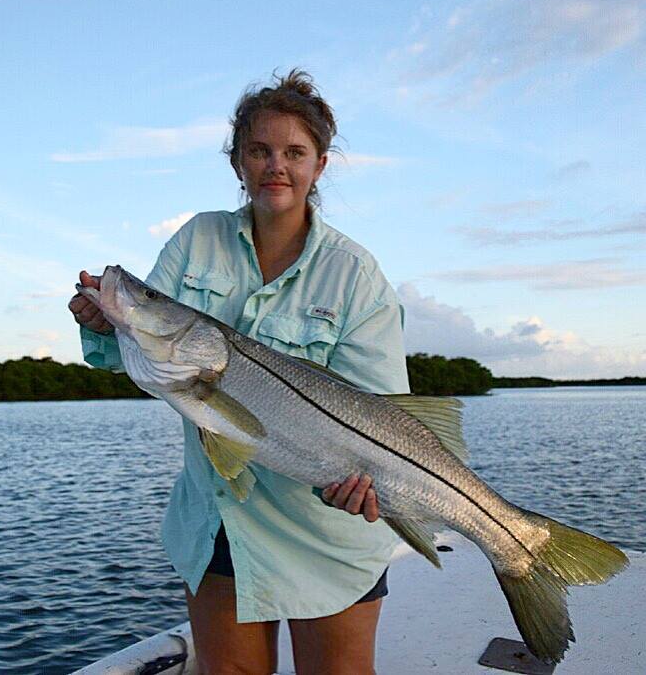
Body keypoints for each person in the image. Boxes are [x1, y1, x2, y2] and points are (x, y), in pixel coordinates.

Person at [68, 69, 410, 675]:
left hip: (327, 529)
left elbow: (387, 414)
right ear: (238, 163)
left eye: (294, 152)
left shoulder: (357, 277)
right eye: (259, 150)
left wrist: (366, 483)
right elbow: (151, 350)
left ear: (319, 166)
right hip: (221, 518)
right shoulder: (196, 239)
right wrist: (107, 323)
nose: (276, 165)